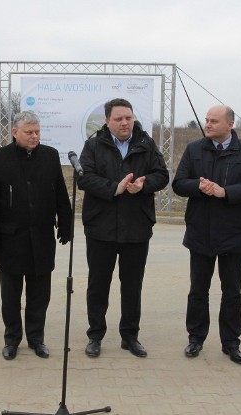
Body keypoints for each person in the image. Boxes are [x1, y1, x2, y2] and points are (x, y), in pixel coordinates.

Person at [172, 105, 241, 365]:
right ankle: (195, 338)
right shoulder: (195, 149)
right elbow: (179, 183)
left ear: (230, 124)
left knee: (232, 291)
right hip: (200, 231)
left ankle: (231, 343)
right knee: (198, 290)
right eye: (206, 120)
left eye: (214, 121)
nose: (208, 125)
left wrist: (225, 192)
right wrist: (200, 187)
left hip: (233, 234)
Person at [78, 98, 169, 358]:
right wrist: (114, 188)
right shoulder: (93, 145)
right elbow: (84, 177)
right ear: (107, 121)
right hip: (100, 227)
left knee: (132, 285)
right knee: (98, 285)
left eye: (128, 117)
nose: (124, 123)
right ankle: (95, 335)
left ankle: (130, 336)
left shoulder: (146, 144)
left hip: (136, 226)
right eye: (118, 118)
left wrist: (144, 184)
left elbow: (162, 175)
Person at [0, 111, 71, 361]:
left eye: (37, 132)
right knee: (10, 296)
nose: (34, 136)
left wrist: (66, 224)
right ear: (15, 132)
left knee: (39, 295)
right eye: (29, 132)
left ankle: (36, 338)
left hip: (42, 238)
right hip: (10, 239)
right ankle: (12, 339)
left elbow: (61, 194)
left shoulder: (50, 156)